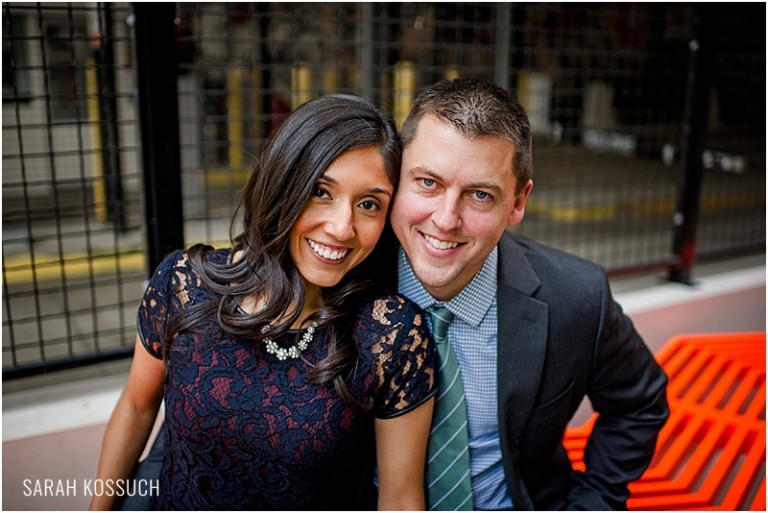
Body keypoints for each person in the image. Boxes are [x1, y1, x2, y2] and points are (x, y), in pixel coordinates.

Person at [90, 94, 437, 511]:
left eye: (368, 204)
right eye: (321, 192)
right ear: (283, 186)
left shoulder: (391, 335)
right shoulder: (183, 285)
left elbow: (399, 499)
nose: (343, 227)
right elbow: (136, 405)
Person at [390, 77, 670, 510]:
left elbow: (640, 402)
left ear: (518, 203)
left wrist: (596, 500)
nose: (446, 219)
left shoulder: (575, 296)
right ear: (397, 178)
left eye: (480, 195)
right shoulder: (341, 284)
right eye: (427, 182)